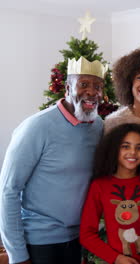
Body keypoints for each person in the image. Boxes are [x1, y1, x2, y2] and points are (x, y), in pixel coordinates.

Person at [0, 57, 106, 264]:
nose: (92, 92)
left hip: (77, 239)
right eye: (83, 84)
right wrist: (17, 255)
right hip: (39, 243)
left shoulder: (98, 126)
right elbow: (8, 190)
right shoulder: (36, 127)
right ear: (67, 88)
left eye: (98, 87)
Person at [80, 123, 140, 264]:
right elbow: (86, 234)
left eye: (139, 148)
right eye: (125, 146)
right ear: (114, 149)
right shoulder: (100, 186)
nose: (133, 152)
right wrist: (116, 258)